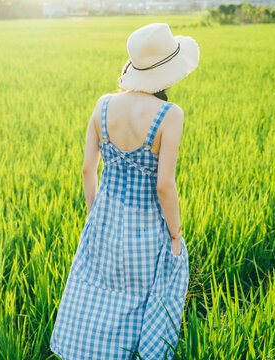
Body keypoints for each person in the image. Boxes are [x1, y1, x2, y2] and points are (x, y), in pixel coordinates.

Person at [49, 23, 200, 360]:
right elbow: (164, 185)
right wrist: (175, 234)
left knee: (99, 291)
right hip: (146, 227)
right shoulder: (170, 115)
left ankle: (85, 351)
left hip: (105, 217)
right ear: (169, 73)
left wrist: (94, 213)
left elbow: (88, 169)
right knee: (138, 297)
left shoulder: (103, 105)